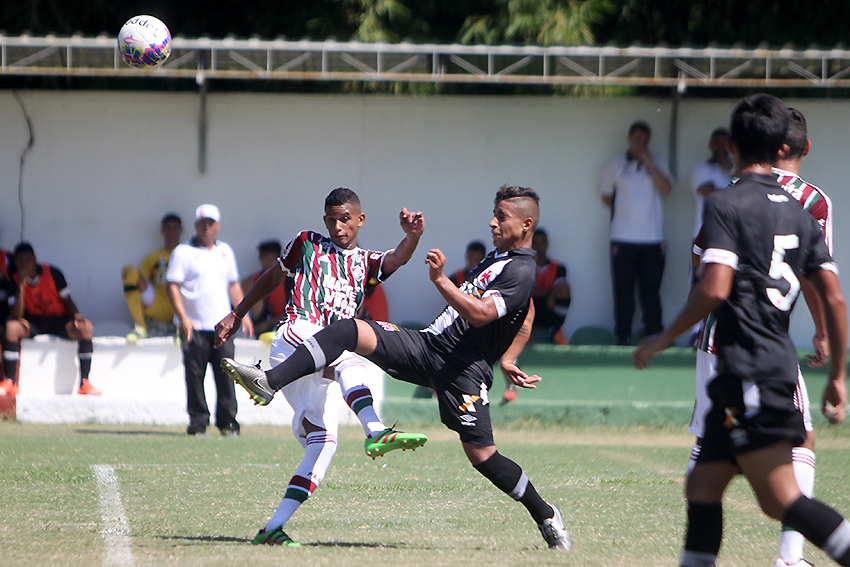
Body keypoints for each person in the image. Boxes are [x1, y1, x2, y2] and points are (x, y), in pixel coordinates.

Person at [222, 185, 572, 552]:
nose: (492, 222)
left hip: (462, 372)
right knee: (348, 331)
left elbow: (483, 314)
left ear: (526, 224)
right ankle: (272, 382)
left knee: (483, 457)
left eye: (501, 217)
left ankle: (546, 513)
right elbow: (525, 310)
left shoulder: (521, 269)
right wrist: (510, 357)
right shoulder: (498, 258)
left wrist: (441, 280)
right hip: (428, 346)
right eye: (494, 214)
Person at [634, 94, 850, 567]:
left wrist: (662, 338)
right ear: (781, 149)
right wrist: (837, 374)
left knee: (780, 499)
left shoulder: (725, 202)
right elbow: (834, 299)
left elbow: (713, 287)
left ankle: (800, 557)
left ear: (730, 144)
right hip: (751, 364)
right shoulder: (800, 209)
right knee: (702, 484)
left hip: (751, 364)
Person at [214, 187, 428, 546]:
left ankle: (272, 528)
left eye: (344, 219)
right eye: (331, 220)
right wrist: (238, 313)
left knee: (324, 443)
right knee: (348, 357)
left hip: (325, 357)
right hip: (296, 335)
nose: (337, 226)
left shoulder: (366, 262)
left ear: (360, 219)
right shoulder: (307, 243)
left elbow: (397, 259)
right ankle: (375, 430)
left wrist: (413, 236)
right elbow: (272, 277)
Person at [166, 204, 253, 437]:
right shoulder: (183, 252)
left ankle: (228, 422)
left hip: (222, 326)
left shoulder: (225, 251)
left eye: (211, 223)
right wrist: (183, 318)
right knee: (195, 376)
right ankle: (198, 423)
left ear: (217, 226)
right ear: (196, 225)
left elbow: (233, 285)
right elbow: (172, 286)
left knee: (227, 374)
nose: (207, 227)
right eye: (203, 223)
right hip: (193, 326)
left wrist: (242, 313)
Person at [600, 120, 673, 345]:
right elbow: (606, 196)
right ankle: (623, 336)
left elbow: (667, 188)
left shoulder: (658, 162)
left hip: (653, 239)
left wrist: (649, 163)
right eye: (638, 139)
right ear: (630, 138)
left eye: (645, 140)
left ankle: (654, 334)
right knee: (623, 291)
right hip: (622, 238)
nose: (642, 143)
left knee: (651, 291)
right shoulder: (615, 164)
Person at [2, 242, 101, 396]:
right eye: (20, 261)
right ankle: (10, 382)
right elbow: (16, 315)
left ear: (35, 259)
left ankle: (84, 383)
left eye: (28, 260)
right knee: (11, 328)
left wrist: (77, 316)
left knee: (85, 329)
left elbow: (67, 300)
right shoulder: (13, 280)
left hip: (58, 319)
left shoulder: (52, 273)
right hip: (33, 321)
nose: (24, 264)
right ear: (15, 262)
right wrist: (21, 286)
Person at [502, 228, 571, 403]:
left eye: (542, 243)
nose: (539, 247)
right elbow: (521, 291)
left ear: (547, 245)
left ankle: (556, 331)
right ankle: (511, 386)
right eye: (536, 243)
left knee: (564, 291)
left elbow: (560, 287)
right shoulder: (524, 265)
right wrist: (548, 292)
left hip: (547, 311)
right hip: (527, 310)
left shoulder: (558, 268)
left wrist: (550, 294)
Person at [122, 213, 183, 343]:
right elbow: (140, 280)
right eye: (168, 228)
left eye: (175, 228)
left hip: (181, 305)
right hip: (158, 303)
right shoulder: (154, 257)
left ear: (180, 230)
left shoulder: (188, 254)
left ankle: (182, 329)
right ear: (162, 230)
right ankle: (140, 327)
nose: (172, 231)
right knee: (129, 271)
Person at [691, 128, 733, 239]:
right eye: (717, 143)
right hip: (705, 232)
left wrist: (731, 170)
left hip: (729, 233)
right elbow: (709, 193)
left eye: (724, 143)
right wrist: (734, 192)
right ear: (711, 145)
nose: (721, 147)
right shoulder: (702, 169)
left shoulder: (735, 171)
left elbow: (746, 191)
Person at [240, 240, 288, 338]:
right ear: (260, 259)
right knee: (251, 291)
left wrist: (270, 323)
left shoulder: (289, 280)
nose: (269, 263)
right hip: (260, 327)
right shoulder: (253, 281)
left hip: (283, 325)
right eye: (266, 258)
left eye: (273, 258)